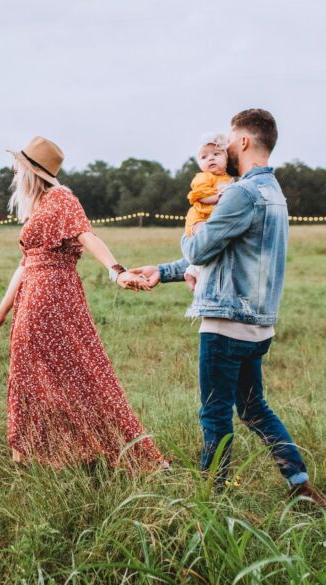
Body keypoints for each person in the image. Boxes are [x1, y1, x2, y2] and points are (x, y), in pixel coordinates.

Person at [130, 110, 324, 504]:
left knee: (215, 413)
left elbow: (201, 248)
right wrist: (164, 271)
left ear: (246, 142)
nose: (226, 148)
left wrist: (193, 230)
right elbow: (225, 255)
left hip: (226, 323)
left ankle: (212, 498)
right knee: (253, 409)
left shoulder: (240, 193)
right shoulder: (274, 194)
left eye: (231, 141)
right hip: (259, 326)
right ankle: (299, 485)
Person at [0, 135, 166, 470]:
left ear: (31, 172)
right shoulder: (38, 206)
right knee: (32, 375)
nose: (13, 173)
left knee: (79, 373)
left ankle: (107, 451)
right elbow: (25, 265)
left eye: (18, 167)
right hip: (33, 296)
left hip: (52, 296)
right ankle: (41, 453)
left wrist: (117, 271)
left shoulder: (61, 198)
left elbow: (87, 235)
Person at [184, 133, 233, 291]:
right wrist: (215, 197)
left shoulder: (229, 178)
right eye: (204, 157)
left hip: (211, 217)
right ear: (199, 164)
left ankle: (192, 270)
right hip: (199, 217)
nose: (210, 158)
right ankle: (197, 274)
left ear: (226, 159)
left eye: (216, 154)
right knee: (205, 239)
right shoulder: (203, 177)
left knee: (212, 244)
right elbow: (198, 195)